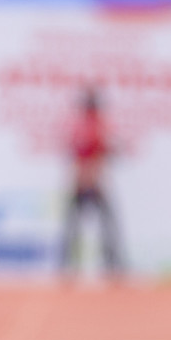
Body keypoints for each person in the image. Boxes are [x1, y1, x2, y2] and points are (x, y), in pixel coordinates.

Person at [60, 86, 123, 278]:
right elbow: (100, 154)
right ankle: (110, 265)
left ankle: (71, 266)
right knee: (103, 225)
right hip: (92, 180)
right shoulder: (96, 125)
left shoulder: (81, 125)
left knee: (77, 226)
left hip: (83, 179)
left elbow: (77, 153)